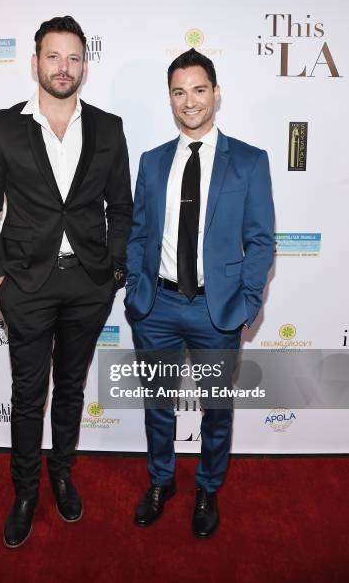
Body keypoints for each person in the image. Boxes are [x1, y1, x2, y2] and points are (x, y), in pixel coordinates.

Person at [0, 16, 133, 548]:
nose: (63, 68)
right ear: (35, 61)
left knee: (70, 389)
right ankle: (24, 493)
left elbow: (122, 208)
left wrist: (111, 273)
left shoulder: (109, 128)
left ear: (85, 64)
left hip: (88, 284)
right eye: (53, 56)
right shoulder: (1, 127)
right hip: (27, 286)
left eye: (73, 58)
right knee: (26, 395)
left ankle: (61, 474)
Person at [124, 49, 274, 538]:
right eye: (179, 91)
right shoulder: (151, 162)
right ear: (170, 97)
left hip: (217, 311)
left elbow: (261, 240)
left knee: (216, 409)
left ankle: (208, 487)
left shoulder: (249, 162)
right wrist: (136, 295)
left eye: (199, 89)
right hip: (157, 308)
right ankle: (161, 481)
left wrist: (248, 303)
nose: (190, 101)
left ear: (216, 92)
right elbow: (139, 234)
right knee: (158, 404)